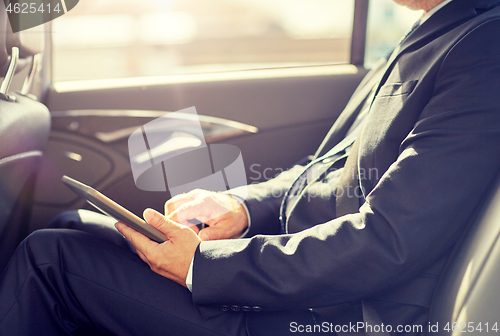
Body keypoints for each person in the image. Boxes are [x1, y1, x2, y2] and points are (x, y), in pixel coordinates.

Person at [2, 0, 500, 334]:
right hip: (308, 286)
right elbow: (325, 168)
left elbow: (389, 239)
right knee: (75, 227)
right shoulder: (433, 32)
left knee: (51, 260)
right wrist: (239, 208)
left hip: (341, 315)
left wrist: (204, 265)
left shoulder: (482, 46)